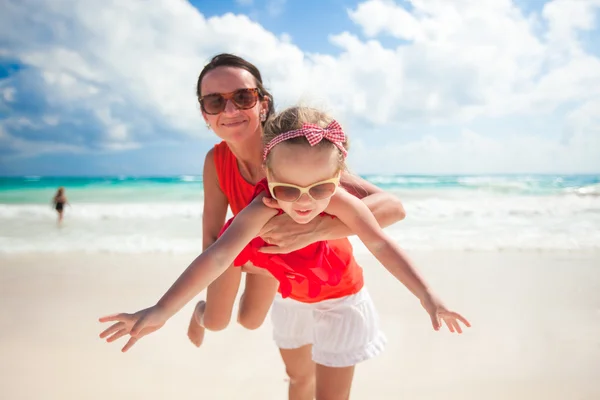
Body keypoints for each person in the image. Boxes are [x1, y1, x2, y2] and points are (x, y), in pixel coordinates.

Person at [99, 105, 470, 400]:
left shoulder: (342, 202)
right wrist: (162, 310)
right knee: (295, 377)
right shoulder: (261, 206)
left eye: (320, 188)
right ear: (268, 174)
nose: (305, 202)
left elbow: (381, 244)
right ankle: (205, 314)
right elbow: (216, 255)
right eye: (288, 190)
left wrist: (428, 296)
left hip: (341, 300)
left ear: (338, 177)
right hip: (292, 296)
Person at [185, 53, 406, 349]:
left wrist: (316, 230)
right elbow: (212, 234)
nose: (229, 109)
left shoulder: (290, 149)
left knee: (250, 321)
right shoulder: (215, 160)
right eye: (214, 101)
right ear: (205, 115)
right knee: (217, 321)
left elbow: (393, 207)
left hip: (299, 258)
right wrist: (209, 288)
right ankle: (201, 315)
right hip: (250, 249)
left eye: (242, 97)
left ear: (263, 104)